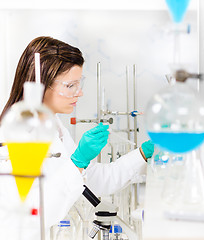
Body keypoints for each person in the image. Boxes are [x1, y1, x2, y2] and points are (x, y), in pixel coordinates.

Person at [0, 36, 154, 239]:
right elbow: (35, 213)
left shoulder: (53, 126)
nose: (79, 93)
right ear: (42, 85)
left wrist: (143, 153)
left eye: (79, 84)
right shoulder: (17, 134)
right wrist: (77, 162)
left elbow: (95, 180)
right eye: (70, 85)